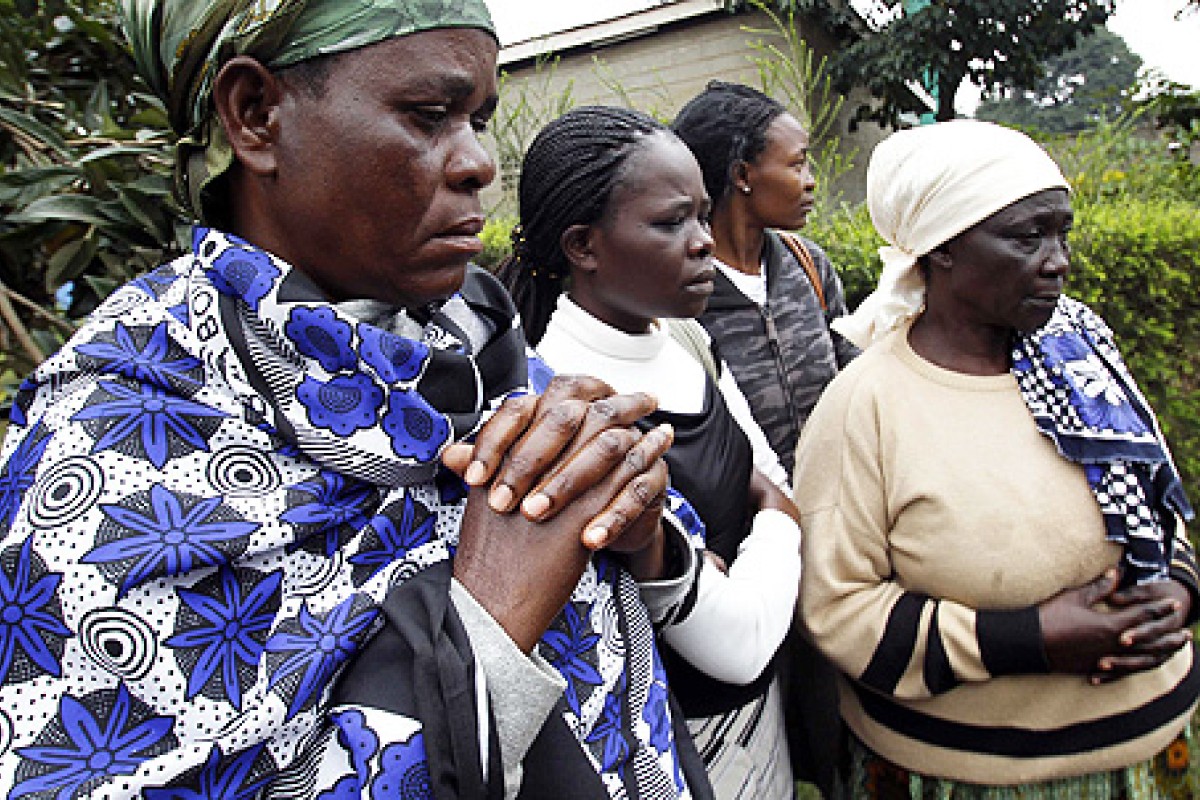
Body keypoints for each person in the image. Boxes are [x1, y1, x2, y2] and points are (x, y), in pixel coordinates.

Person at [0, 3, 718, 798]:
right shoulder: (105, 449)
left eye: (479, 119)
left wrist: (641, 533)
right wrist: (485, 625)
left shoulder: (474, 346)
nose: (479, 161)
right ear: (256, 116)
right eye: (428, 115)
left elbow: (634, 593)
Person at [795, 118, 1200, 798]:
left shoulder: (1079, 350)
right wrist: (1026, 638)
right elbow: (835, 607)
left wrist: (1180, 586)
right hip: (966, 775)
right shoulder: (868, 404)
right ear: (942, 248)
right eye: (1026, 235)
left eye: (1062, 232)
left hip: (1155, 751)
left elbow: (1156, 495)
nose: (1059, 259)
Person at [498, 106, 803, 799]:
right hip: (684, 750)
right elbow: (742, 644)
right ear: (583, 245)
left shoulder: (681, 342)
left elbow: (771, 476)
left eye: (702, 215)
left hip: (761, 724)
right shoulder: (569, 415)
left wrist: (759, 518)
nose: (703, 243)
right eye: (672, 223)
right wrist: (780, 521)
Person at [672, 79, 855, 797]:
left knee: (842, 712)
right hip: (752, 555)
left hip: (837, 536)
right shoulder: (679, 292)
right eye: (799, 162)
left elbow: (848, 378)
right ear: (744, 174)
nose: (811, 181)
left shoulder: (809, 268)